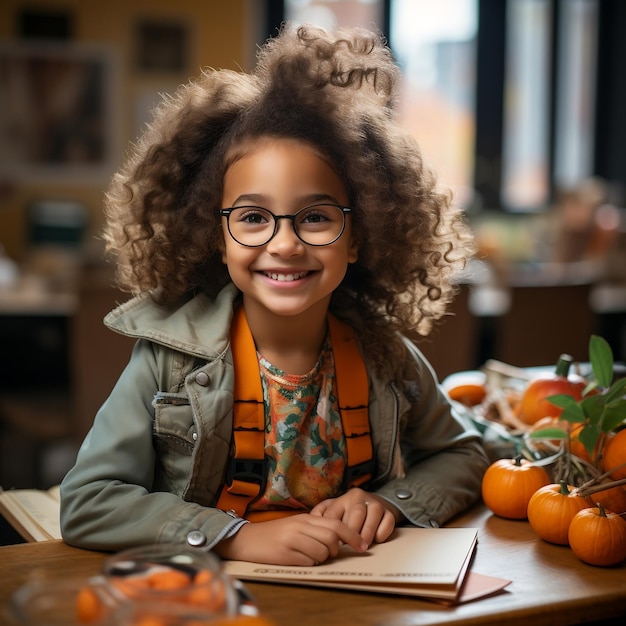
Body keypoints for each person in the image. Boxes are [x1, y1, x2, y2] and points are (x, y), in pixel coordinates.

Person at [60, 24, 489, 566]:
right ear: (217, 237)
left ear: (358, 237)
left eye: (315, 217)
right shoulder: (167, 364)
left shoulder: (386, 355)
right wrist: (233, 537)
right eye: (254, 218)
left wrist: (391, 503)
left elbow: (464, 453)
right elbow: (86, 501)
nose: (284, 244)